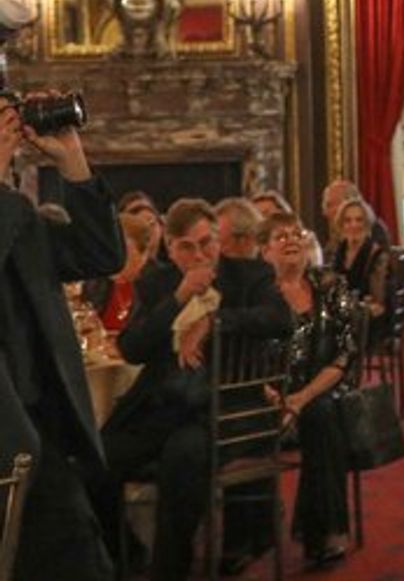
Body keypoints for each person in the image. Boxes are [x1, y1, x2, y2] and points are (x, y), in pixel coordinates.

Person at [99, 197, 292, 580]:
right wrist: (180, 298)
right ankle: (126, 554)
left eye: (207, 243)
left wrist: (212, 320)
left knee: (180, 458)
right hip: (161, 407)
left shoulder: (250, 275)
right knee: (95, 460)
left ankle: (171, 570)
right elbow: (132, 348)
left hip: (224, 410)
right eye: (187, 247)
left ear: (219, 240)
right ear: (170, 248)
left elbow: (279, 319)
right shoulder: (158, 283)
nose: (200, 254)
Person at [0, 95, 124, 580]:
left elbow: (99, 254)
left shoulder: (17, 214)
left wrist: (72, 158)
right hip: (6, 433)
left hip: (38, 423)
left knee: (80, 558)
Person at [260, 210, 358, 568]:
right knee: (322, 418)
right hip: (266, 399)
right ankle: (318, 532)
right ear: (264, 251)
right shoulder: (258, 294)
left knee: (323, 414)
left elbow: (346, 353)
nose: (290, 240)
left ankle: (323, 534)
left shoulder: (328, 285)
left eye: (295, 233)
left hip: (318, 392)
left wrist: (301, 398)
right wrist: (274, 397)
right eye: (279, 236)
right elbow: (247, 358)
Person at [330, 197, 391, 340]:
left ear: (367, 224)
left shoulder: (376, 254)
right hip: (344, 311)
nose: (353, 225)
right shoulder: (339, 250)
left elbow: (378, 301)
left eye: (359, 220)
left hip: (370, 319)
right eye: (348, 220)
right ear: (341, 224)